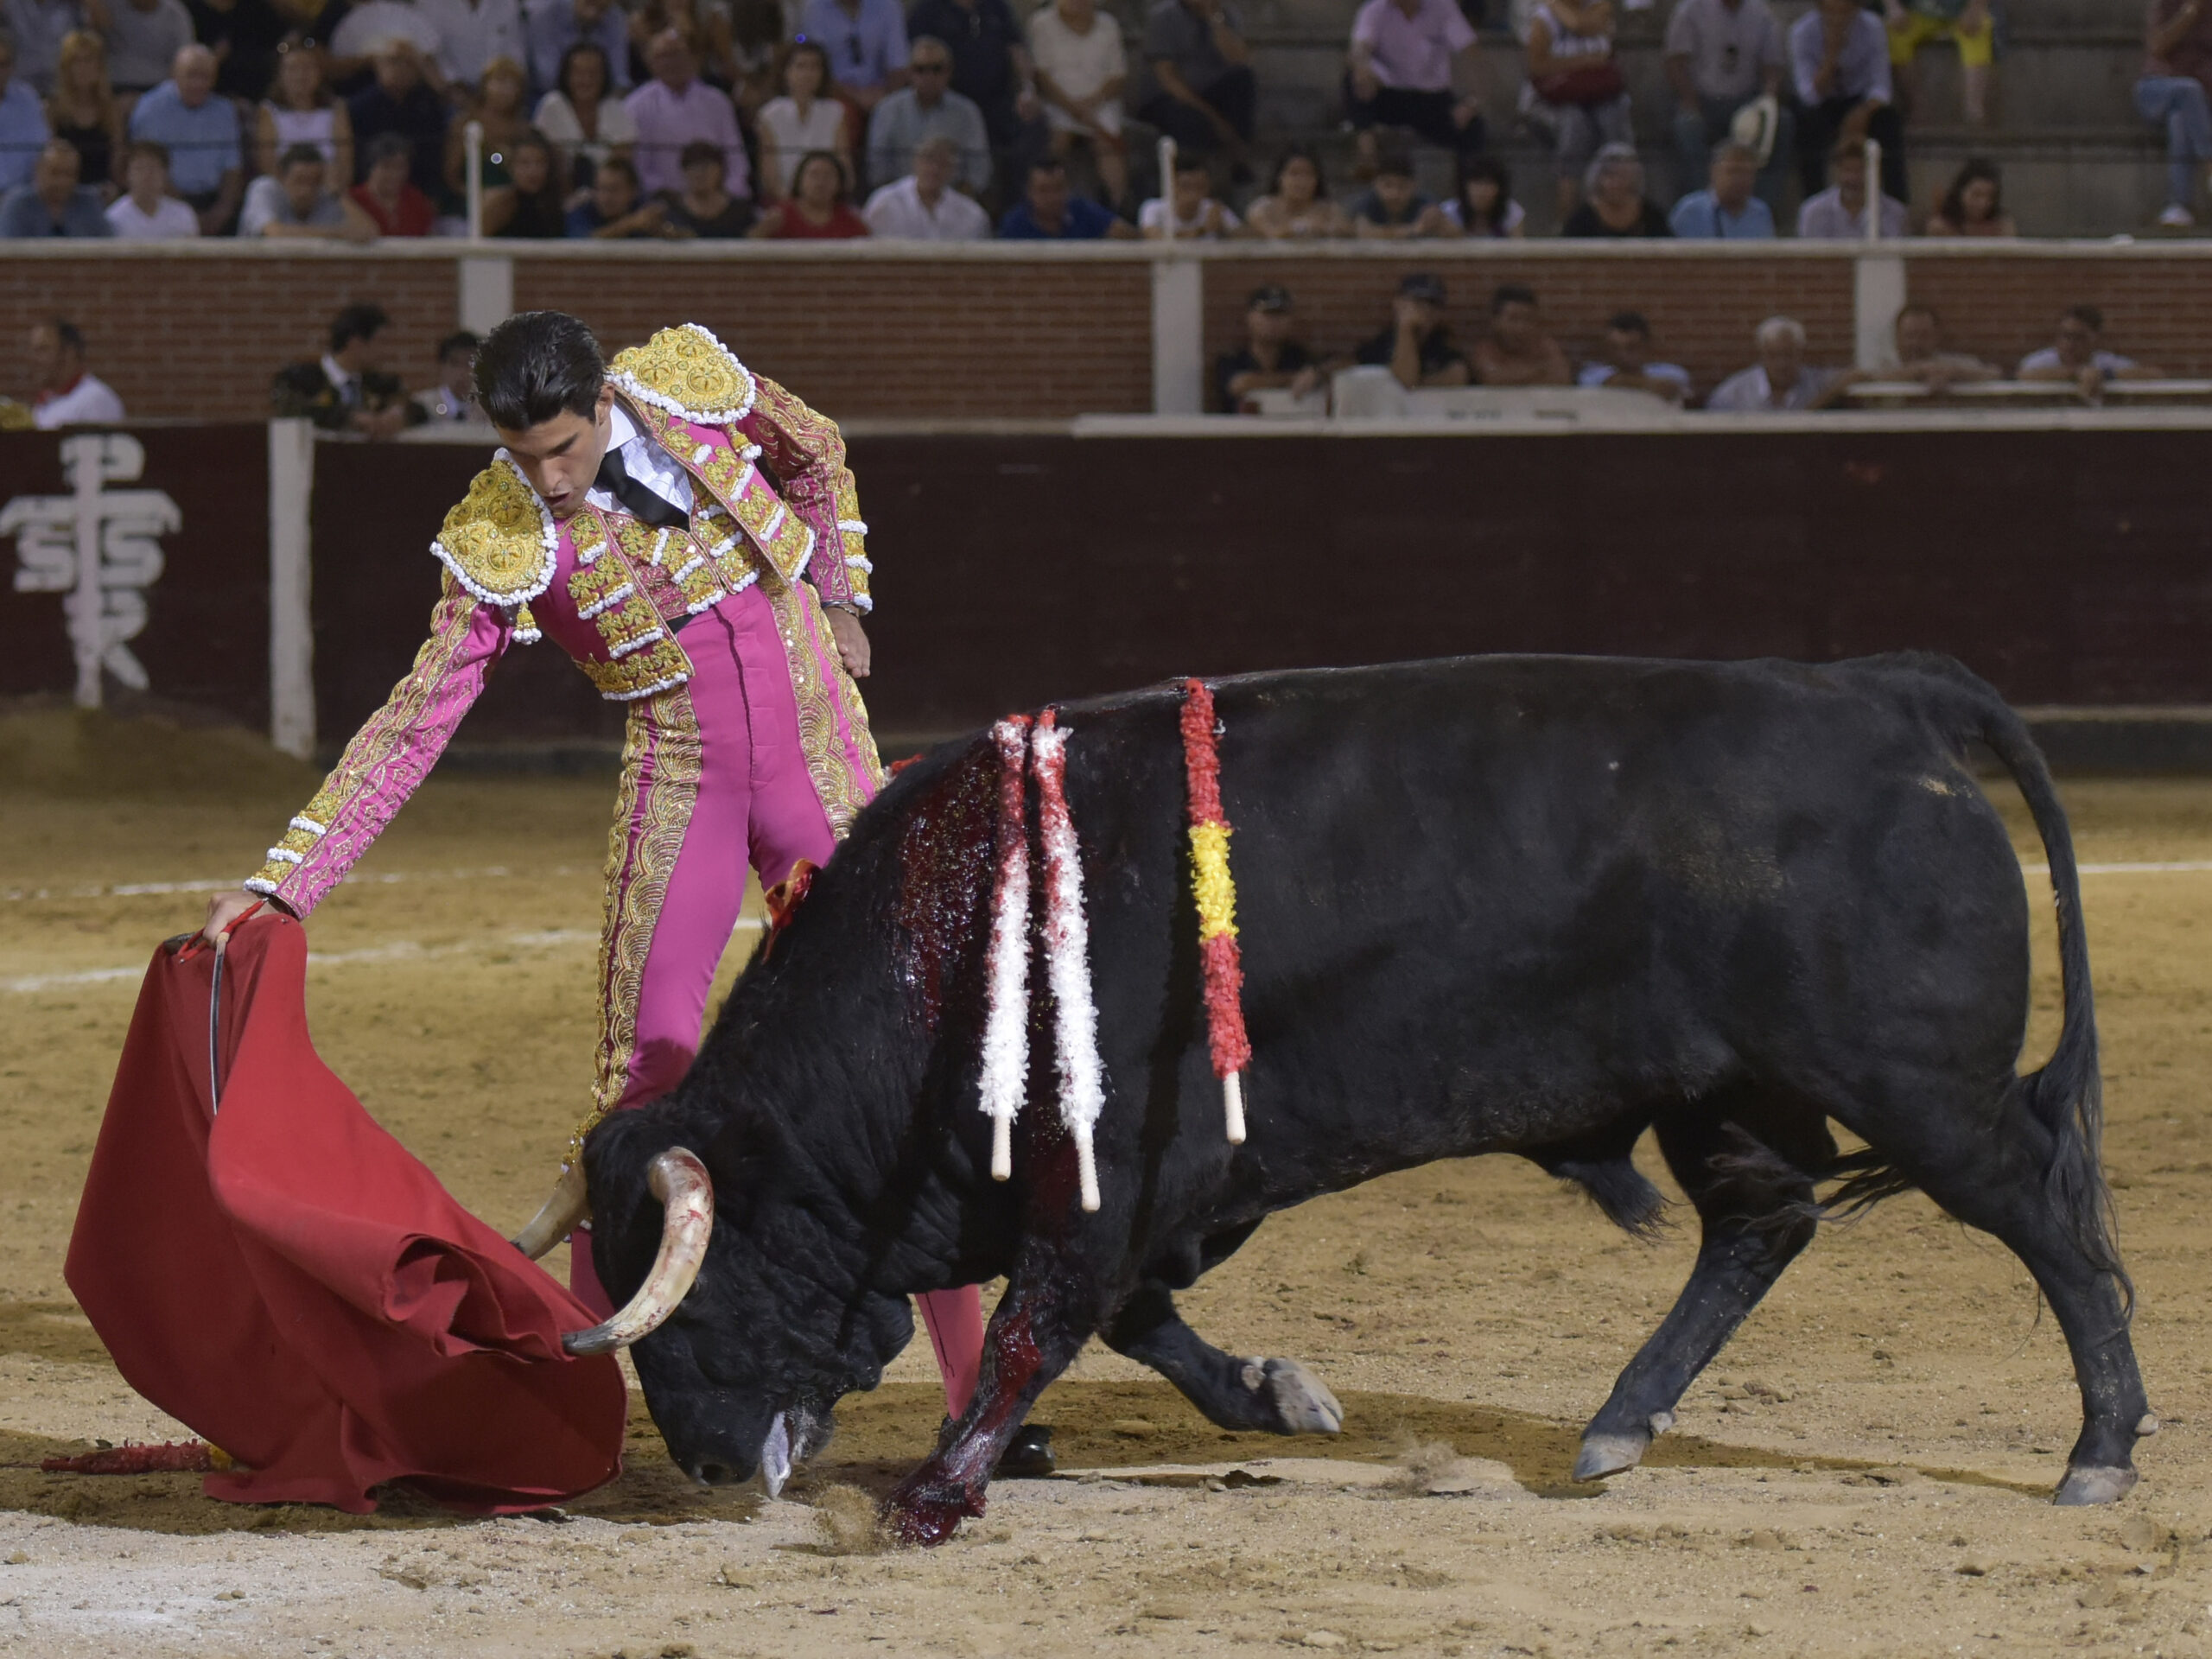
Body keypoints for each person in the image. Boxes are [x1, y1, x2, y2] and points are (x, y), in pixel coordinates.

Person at [204, 310, 1053, 1478]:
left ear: (604, 400)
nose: (546, 479)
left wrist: (844, 595)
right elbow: (411, 727)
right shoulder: (502, 537)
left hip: (822, 760)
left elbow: (815, 451)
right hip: (683, 783)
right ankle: (578, 1419)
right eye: (522, 455)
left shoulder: (691, 387)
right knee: (643, 1081)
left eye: (562, 450)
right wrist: (283, 886)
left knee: (903, 1055)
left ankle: (980, 1406)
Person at [1663, 0, 1788, 215]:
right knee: (1688, 126)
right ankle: (1704, 207)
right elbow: (1675, 61)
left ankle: (1761, 208)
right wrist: (1690, 100)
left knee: (1782, 122)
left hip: (1746, 102)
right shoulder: (1690, 10)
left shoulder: (1762, 13)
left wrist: (1767, 102)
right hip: (1702, 99)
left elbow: (1773, 66)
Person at [1523, 0, 1630, 223]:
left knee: (1614, 120)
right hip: (1555, 102)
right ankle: (1567, 221)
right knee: (1575, 126)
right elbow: (1537, 67)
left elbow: (1581, 25)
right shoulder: (1543, 18)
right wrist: (1584, 62)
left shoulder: (1600, 5)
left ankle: (1624, 213)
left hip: (1600, 96)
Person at [1344, 0, 1482, 171]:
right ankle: (1366, 146)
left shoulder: (1442, 7)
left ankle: (1469, 185)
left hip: (1432, 99)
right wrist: (1362, 67)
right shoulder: (1374, 10)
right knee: (1353, 78)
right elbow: (1360, 47)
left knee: (1472, 126)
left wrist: (1472, 101)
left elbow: (1471, 52)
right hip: (1390, 95)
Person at [906, 0, 1041, 174]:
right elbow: (918, 56)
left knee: (1033, 125)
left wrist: (1028, 89)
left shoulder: (997, 7)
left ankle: (1018, 198)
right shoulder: (928, 10)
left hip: (998, 102)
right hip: (949, 104)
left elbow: (1016, 49)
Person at [1790, 0, 1905, 203]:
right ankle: (1812, 200)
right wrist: (1831, 56)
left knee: (1888, 121)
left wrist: (1864, 111)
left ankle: (1897, 201)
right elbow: (1808, 94)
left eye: (1844, 13)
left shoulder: (1873, 28)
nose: (1838, 20)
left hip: (1859, 100)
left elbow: (1881, 86)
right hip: (1823, 103)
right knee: (1806, 121)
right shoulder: (1802, 33)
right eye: (1831, 13)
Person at [625, 28, 747, 200]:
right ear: (650, 62)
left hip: (718, 200)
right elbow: (639, 169)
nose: (671, 62)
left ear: (692, 57)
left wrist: (727, 194)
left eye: (677, 54)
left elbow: (736, 160)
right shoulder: (635, 106)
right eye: (663, 56)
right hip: (662, 201)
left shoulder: (718, 101)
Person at [270, 301, 423, 434]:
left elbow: (422, 411)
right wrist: (350, 418)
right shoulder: (299, 379)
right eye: (380, 342)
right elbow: (292, 412)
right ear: (355, 343)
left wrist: (399, 414)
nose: (384, 351)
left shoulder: (382, 384)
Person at [1028, 0, 1126, 207]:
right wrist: (1072, 108)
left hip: (1100, 102)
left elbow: (1117, 76)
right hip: (1058, 103)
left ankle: (1119, 207)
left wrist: (1091, 103)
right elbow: (1041, 75)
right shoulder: (1041, 23)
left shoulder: (1109, 24)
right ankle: (1049, 205)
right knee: (1057, 141)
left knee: (1108, 146)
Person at [867, 36, 989, 195]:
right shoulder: (887, 109)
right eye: (920, 69)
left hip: (953, 202)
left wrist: (951, 202)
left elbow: (978, 169)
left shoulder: (967, 112)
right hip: (899, 202)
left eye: (937, 69)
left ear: (949, 71)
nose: (929, 76)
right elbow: (877, 168)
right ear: (910, 72)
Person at [1137, 0, 1253, 164]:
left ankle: (1239, 159)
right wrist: (1214, 118)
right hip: (1168, 99)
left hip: (1211, 90)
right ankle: (1194, 172)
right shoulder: (1163, 17)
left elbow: (1239, 60)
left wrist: (1214, 19)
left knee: (1243, 80)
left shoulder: (1226, 15)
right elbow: (1168, 79)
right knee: (1192, 120)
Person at [2138, 0, 2212, 228]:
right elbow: (2157, 46)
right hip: (2157, 89)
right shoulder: (2165, 5)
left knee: (2181, 120)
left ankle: (2179, 205)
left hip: (2196, 101)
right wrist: (2189, 13)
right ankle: (2210, 163)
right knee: (2188, 90)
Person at [346, 39, 446, 199]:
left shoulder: (429, 105)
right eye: (394, 61)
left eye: (409, 63)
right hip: (369, 192)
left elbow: (434, 156)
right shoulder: (358, 107)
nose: (401, 68)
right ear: (378, 66)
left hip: (419, 191)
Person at [533, 40, 634, 194]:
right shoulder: (552, 106)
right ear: (567, 75)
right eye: (579, 73)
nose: (586, 80)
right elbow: (543, 159)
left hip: (607, 196)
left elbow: (623, 164)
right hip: (558, 194)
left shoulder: (614, 108)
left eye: (593, 73)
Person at [1704, 314, 1861, 410]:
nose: (1782, 364)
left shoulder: (1816, 382)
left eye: (1789, 355)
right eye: (1773, 355)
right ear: (1762, 354)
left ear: (1800, 353)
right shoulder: (1733, 393)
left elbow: (1857, 375)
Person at [754, 39, 847, 202]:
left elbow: (844, 167)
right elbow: (770, 178)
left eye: (814, 67)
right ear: (786, 72)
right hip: (786, 203)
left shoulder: (835, 111)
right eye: (800, 66)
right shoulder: (769, 114)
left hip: (828, 202)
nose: (807, 74)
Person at [2018, 304, 2165, 399]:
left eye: (2078, 337)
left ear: (2095, 338)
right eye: (2066, 336)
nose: (2070, 344)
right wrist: (2077, 374)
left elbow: (2155, 374)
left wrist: (2104, 375)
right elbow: (2024, 375)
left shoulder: (2103, 361)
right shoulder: (2044, 360)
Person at [861, 129, 988, 237]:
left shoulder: (972, 214)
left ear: (953, 170)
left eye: (943, 163)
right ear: (915, 161)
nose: (934, 169)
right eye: (929, 159)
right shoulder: (884, 202)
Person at [257, 38, 353, 181]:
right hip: (283, 190)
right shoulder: (269, 110)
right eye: (293, 68)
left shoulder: (336, 109)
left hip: (326, 187)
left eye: (307, 68)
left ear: (319, 73)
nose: (300, 76)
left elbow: (346, 166)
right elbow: (267, 167)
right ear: (280, 74)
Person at [240, 135, 378, 233]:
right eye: (299, 180)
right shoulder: (265, 188)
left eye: (314, 182)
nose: (306, 190)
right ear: (281, 177)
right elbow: (274, 232)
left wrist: (339, 194)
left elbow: (368, 232)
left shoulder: (327, 194)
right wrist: (337, 234)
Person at [1885, 0, 1992, 126]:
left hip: (1961, 13)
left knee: (1980, 27)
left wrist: (1976, 8)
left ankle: (1974, 109)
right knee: (1894, 35)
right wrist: (1893, 7)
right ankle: (1918, 108)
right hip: (1917, 13)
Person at [1215, 282, 1318, 411]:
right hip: (1241, 429)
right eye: (1267, 314)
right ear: (1250, 318)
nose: (1273, 322)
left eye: (1280, 315)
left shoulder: (1299, 357)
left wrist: (1316, 374)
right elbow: (1239, 385)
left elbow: (1335, 366)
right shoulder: (1232, 359)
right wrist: (1292, 379)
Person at [1354, 270, 1467, 388]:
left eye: (1433, 304)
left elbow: (1456, 376)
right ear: (1398, 304)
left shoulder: (1444, 348)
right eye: (1418, 303)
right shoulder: (1380, 346)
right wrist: (1405, 328)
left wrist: (1401, 386)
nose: (1426, 310)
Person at [793, 0, 908, 115]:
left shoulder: (888, 6)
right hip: (835, 94)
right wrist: (854, 96)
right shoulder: (814, 8)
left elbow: (898, 64)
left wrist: (886, 97)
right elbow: (814, 66)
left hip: (881, 94)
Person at [46, 29, 119, 196]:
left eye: (88, 60)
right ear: (66, 67)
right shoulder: (53, 109)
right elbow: (49, 161)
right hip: (64, 194)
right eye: (76, 61)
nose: (82, 68)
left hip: (102, 192)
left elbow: (117, 160)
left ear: (99, 66)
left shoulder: (111, 110)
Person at [443, 51, 528, 195]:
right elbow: (451, 177)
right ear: (485, 85)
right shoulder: (465, 124)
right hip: (468, 200)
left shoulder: (524, 130)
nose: (505, 90)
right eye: (499, 81)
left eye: (512, 83)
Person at [1796, 132, 1906, 238]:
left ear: (1876, 172)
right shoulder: (1813, 212)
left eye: (1860, 171)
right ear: (1836, 171)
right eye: (1847, 170)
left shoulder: (1895, 213)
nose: (1853, 178)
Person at [996, 151, 1132, 235]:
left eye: (1058, 189)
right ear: (1029, 192)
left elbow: (1125, 233)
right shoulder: (1014, 224)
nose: (1051, 197)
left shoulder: (1083, 211)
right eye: (1043, 190)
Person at [0, 134, 111, 232]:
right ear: (38, 171)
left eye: (69, 174)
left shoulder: (89, 203)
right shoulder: (18, 205)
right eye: (55, 173)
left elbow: (108, 247)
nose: (62, 181)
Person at [747, 145, 868, 236]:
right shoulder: (780, 217)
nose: (821, 182)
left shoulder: (850, 221)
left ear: (839, 183)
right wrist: (761, 231)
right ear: (800, 179)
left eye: (828, 175)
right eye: (814, 175)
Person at [1577, 309, 1690, 402]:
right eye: (1615, 348)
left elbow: (1669, 389)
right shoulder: (1592, 375)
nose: (1622, 355)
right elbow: (1609, 382)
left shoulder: (1671, 372)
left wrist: (1626, 382)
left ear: (1646, 346)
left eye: (1631, 348)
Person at [1667, 137, 1771, 236]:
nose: (1740, 179)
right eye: (1734, 171)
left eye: (1747, 173)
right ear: (1714, 171)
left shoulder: (1761, 213)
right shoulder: (1689, 211)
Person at [183, 0, 284, 102]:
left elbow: (280, 46)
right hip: (206, 99)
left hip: (256, 98)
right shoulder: (189, 10)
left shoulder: (256, 9)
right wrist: (212, 59)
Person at [1562, 141, 1670, 236]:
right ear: (1597, 177)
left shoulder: (1652, 217)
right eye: (1610, 175)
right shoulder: (1581, 220)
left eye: (1623, 176)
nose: (1616, 183)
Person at [525, 0, 628, 99]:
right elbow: (546, 76)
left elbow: (619, 76)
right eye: (590, 2)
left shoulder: (614, 16)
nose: (593, 12)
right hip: (547, 93)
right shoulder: (547, 13)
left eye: (601, 7)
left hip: (597, 96)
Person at [27, 318, 124, 423]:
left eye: (43, 349)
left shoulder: (96, 401)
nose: (33, 359)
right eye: (33, 350)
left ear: (69, 353)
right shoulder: (47, 400)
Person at [1471, 283, 1570, 386]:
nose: (1520, 327)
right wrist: (1540, 371)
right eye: (1513, 319)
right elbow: (1492, 379)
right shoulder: (1486, 350)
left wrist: (1511, 375)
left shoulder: (1545, 347)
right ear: (1495, 321)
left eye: (1527, 319)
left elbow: (1563, 378)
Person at [1243, 143, 1349, 237]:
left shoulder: (1330, 210)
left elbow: (1346, 230)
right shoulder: (1262, 209)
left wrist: (1325, 229)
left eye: (1308, 174)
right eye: (1294, 173)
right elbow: (1270, 233)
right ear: (1280, 177)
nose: (1301, 181)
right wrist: (1299, 227)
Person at [1885, 302, 1996, 390]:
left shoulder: (1947, 364)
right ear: (1897, 337)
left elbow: (1993, 373)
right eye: (1910, 336)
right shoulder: (1885, 364)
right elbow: (1870, 376)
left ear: (1936, 337)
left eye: (1924, 336)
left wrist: (1954, 373)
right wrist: (1919, 372)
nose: (1916, 343)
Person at [416, 0, 522, 91]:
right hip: (453, 91)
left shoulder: (507, 3)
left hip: (500, 89)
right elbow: (429, 55)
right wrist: (453, 90)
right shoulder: (431, 4)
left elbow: (516, 55)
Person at [661, 134, 756, 233]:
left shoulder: (740, 212)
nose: (699, 173)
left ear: (720, 170)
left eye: (706, 166)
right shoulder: (672, 212)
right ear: (683, 171)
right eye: (692, 167)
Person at [1348, 143, 1446, 237]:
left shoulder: (1425, 202)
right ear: (1376, 184)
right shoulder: (1367, 203)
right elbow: (1363, 232)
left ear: (1414, 185)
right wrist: (1413, 230)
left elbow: (1454, 231)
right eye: (1387, 185)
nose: (1394, 193)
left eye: (1402, 186)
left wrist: (1436, 220)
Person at [99, 0, 194, 97]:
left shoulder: (175, 13)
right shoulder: (109, 6)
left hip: (159, 87)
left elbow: (185, 59)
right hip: (117, 85)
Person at [349, 125, 435, 231]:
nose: (395, 174)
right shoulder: (353, 200)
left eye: (401, 166)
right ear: (371, 167)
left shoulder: (417, 201)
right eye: (387, 166)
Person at [105, 137, 197, 233]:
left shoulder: (183, 214)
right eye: (140, 168)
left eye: (153, 168)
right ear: (127, 174)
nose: (147, 175)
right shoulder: (114, 218)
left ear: (165, 174)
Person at [566, 150, 671, 235]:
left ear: (633, 191)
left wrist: (662, 230)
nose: (605, 197)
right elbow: (583, 243)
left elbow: (680, 234)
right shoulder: (582, 212)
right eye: (599, 189)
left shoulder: (644, 207)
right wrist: (631, 224)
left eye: (613, 190)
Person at [1139, 148, 1239, 236]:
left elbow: (1247, 237)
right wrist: (1203, 230)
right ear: (1172, 186)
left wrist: (1226, 230)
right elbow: (1156, 238)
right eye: (1186, 187)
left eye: (1199, 187)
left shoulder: (1214, 210)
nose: (1193, 194)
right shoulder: (1153, 208)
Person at [484, 128, 565, 234]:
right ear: (511, 167)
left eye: (540, 162)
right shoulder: (502, 204)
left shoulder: (554, 205)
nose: (533, 171)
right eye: (524, 163)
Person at [0, 38, 50, 198]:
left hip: (24, 197)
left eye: (4, 64)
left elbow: (40, 149)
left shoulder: (27, 97)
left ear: (12, 66)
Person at [7, 0, 83, 99]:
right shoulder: (10, 5)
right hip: (21, 87)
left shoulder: (70, 6)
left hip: (62, 87)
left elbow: (101, 26)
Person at [1925, 155, 2013, 235]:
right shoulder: (1941, 227)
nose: (1983, 203)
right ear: (1960, 192)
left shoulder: (2002, 227)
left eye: (1990, 196)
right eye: (1976, 195)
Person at [1441, 149, 1522, 235]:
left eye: (1488, 183)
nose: (1482, 190)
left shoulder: (1512, 213)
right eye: (1477, 183)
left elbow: (1517, 246)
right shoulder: (1449, 213)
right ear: (1465, 186)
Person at [413, 327, 484, 422]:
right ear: (441, 367)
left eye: (470, 363)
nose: (462, 372)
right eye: (454, 363)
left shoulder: (489, 410)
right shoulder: (422, 405)